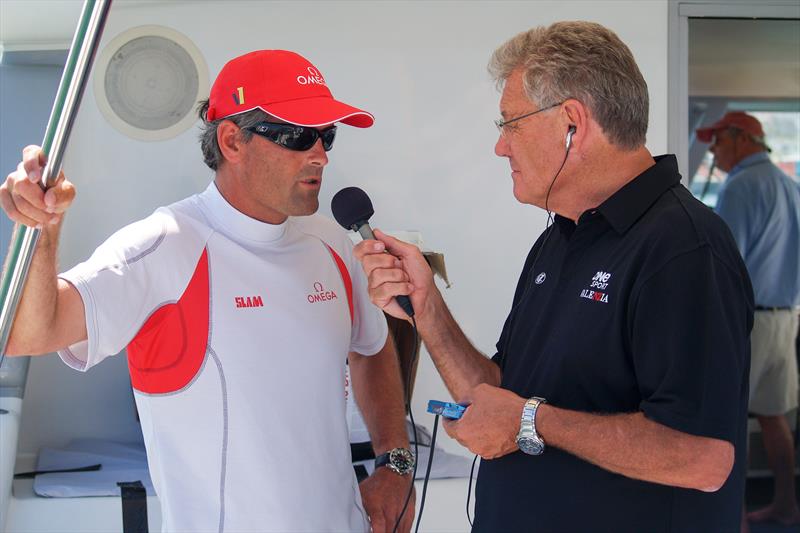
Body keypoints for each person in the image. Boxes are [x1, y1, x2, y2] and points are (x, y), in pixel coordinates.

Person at [355, 21, 753, 532]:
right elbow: (501, 393)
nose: (501, 147)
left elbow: (703, 458)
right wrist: (426, 309)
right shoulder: (561, 236)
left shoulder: (684, 249)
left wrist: (530, 422)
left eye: (510, 124)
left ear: (572, 122)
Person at [0, 50, 415, 533]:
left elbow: (372, 347)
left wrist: (395, 462)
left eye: (326, 135)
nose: (320, 154)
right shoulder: (164, 243)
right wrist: (40, 228)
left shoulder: (332, 242)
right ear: (232, 140)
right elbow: (28, 335)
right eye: (297, 135)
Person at [697, 111, 800, 527]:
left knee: (730, 421)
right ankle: (787, 504)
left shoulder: (740, 186)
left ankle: (733, 519)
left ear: (741, 139)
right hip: (785, 319)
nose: (714, 152)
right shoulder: (790, 186)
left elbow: (726, 262)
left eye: (717, 142)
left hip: (750, 324)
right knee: (775, 417)